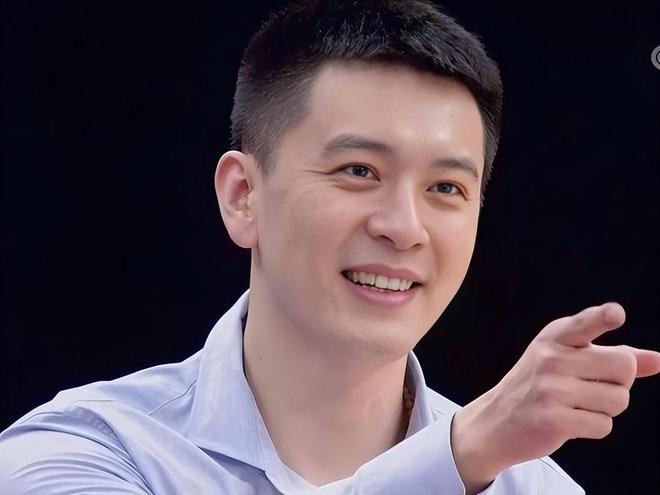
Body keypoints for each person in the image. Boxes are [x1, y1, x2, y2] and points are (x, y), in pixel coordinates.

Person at [1, 1, 659, 493]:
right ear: (242, 195)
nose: (404, 227)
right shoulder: (85, 448)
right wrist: (454, 459)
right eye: (358, 171)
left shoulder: (530, 485)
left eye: (446, 187)